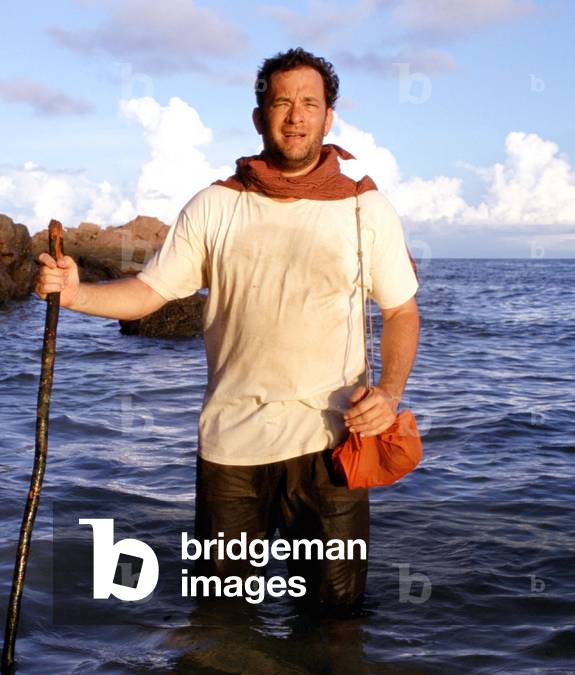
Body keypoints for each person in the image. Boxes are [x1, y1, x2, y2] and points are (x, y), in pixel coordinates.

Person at [33, 47, 420, 613]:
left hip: (332, 448)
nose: (295, 115)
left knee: (337, 621)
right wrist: (75, 294)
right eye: (281, 102)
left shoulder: (365, 208)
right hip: (231, 449)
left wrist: (389, 394)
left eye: (310, 103)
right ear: (260, 115)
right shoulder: (215, 205)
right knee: (220, 622)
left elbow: (401, 312)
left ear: (329, 117)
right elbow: (151, 293)